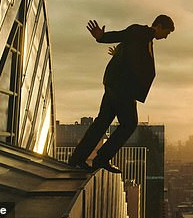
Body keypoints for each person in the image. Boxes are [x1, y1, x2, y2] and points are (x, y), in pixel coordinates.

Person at [68, 15, 175, 173]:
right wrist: (102, 37)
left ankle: (77, 159)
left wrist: (118, 55)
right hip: (122, 88)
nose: (166, 37)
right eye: (166, 32)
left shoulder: (146, 39)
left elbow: (129, 53)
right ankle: (101, 159)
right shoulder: (140, 32)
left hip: (117, 85)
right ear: (159, 26)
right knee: (129, 124)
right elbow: (122, 35)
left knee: (102, 122)